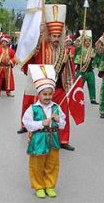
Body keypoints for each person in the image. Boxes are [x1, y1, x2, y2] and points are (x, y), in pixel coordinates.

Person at [19, 4, 75, 151]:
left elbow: (68, 71)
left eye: (58, 36)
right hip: (44, 89)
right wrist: (39, 34)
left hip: (59, 88)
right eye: (53, 36)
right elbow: (33, 51)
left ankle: (63, 140)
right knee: (40, 114)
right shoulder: (42, 47)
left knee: (63, 114)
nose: (56, 39)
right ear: (50, 35)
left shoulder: (65, 51)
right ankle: (38, 137)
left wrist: (69, 88)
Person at [22, 65, 65, 199]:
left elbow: (63, 125)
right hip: (38, 140)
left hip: (54, 139)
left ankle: (50, 185)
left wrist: (58, 120)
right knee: (37, 164)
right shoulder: (32, 108)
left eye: (50, 94)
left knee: (52, 164)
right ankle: (39, 186)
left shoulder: (57, 107)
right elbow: (27, 123)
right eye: (44, 94)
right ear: (39, 94)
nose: (47, 97)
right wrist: (42, 123)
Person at [74, 30, 98, 104]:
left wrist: (93, 58)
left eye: (89, 41)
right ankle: (77, 98)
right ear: (84, 42)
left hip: (90, 70)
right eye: (86, 41)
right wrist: (81, 36)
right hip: (81, 70)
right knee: (79, 85)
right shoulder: (80, 49)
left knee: (92, 84)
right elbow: (76, 44)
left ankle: (93, 99)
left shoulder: (92, 50)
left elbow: (96, 59)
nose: (88, 42)